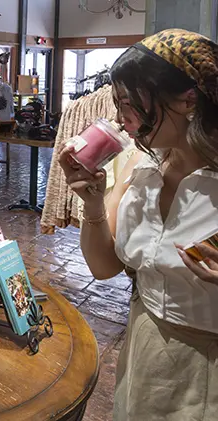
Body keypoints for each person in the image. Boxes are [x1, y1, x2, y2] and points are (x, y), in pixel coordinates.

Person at [59, 28, 218, 420]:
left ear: (188, 100)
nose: (121, 118)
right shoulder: (140, 164)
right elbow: (104, 267)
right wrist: (93, 201)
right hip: (144, 349)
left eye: (130, 103)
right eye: (118, 103)